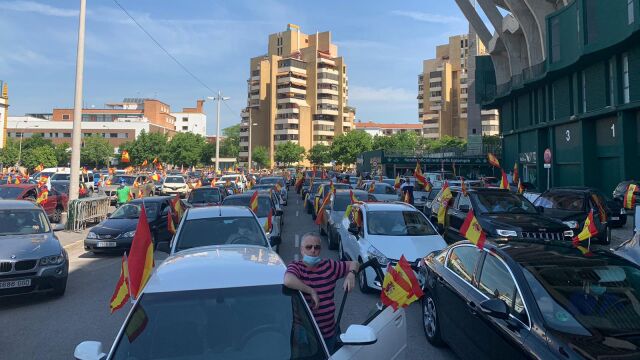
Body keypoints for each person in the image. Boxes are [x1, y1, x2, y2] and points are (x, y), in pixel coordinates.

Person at [284, 232, 359, 353]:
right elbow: (288, 280)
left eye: (317, 247)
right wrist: (311, 291)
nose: (313, 250)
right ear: (302, 250)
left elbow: (354, 264)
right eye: (309, 247)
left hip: (329, 332)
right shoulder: (296, 267)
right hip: (306, 335)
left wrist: (351, 274)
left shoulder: (329, 266)